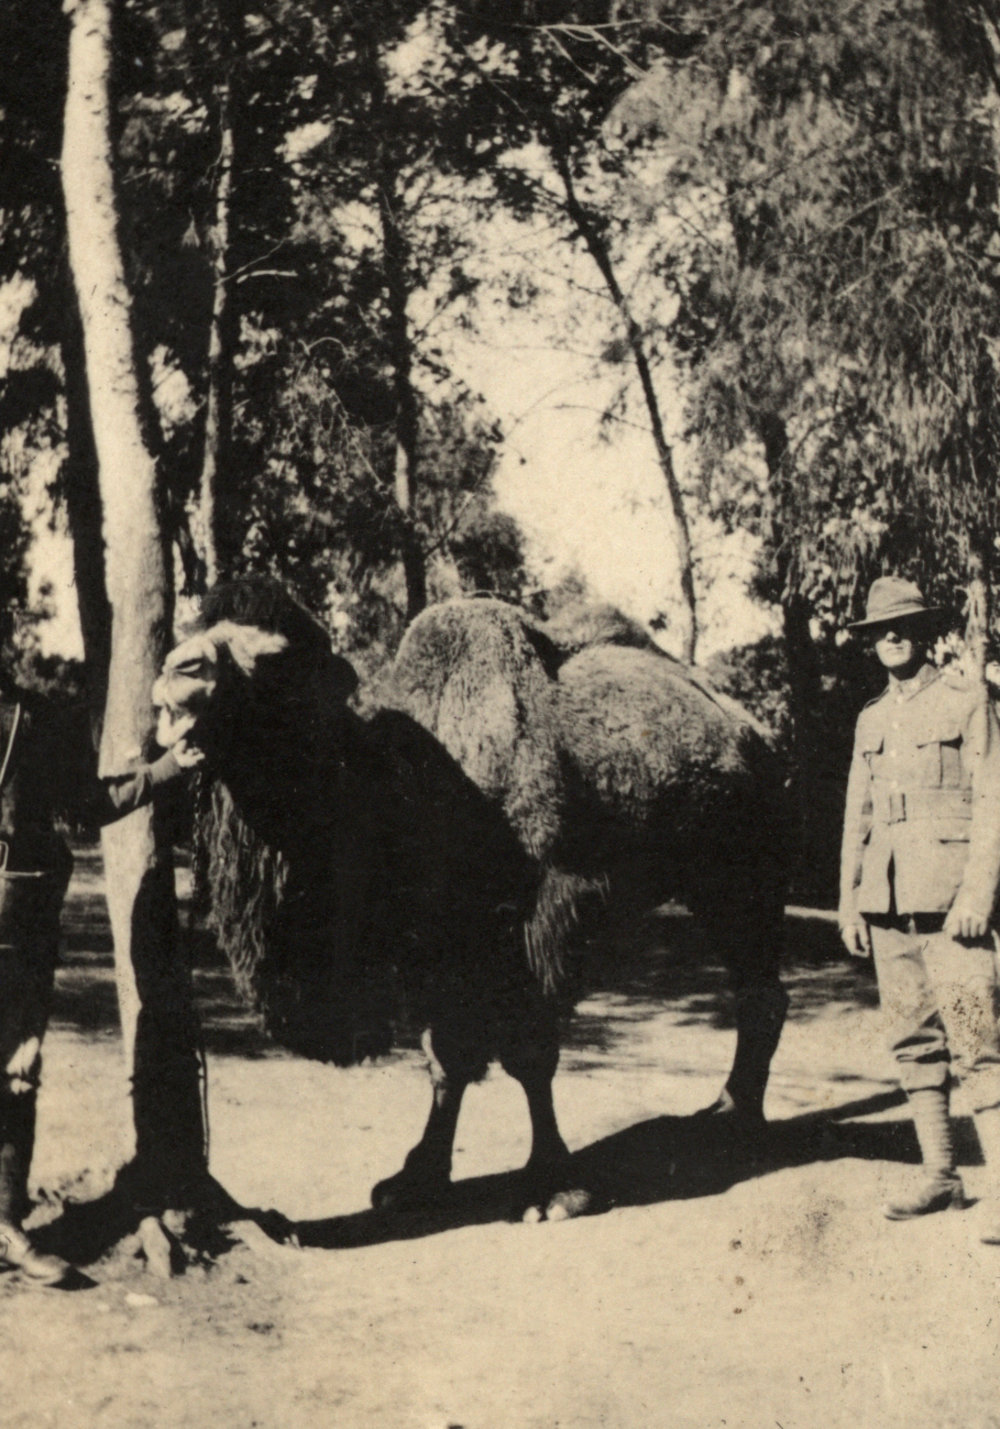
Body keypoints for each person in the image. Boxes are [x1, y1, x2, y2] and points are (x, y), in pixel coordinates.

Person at [0, 696, 202, 1286]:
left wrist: (164, 771)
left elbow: (86, 805)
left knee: (18, 1071)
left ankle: (7, 1228)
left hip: (24, 925)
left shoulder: (26, 719)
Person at [839, 575, 1000, 1243]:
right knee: (913, 1043)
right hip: (888, 904)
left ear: (925, 630)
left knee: (978, 1041)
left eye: (901, 625)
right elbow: (859, 814)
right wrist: (849, 900)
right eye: (879, 629)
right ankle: (942, 1173)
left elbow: (995, 798)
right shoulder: (871, 717)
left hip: (951, 905)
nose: (890, 637)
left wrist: (979, 894)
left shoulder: (968, 700)